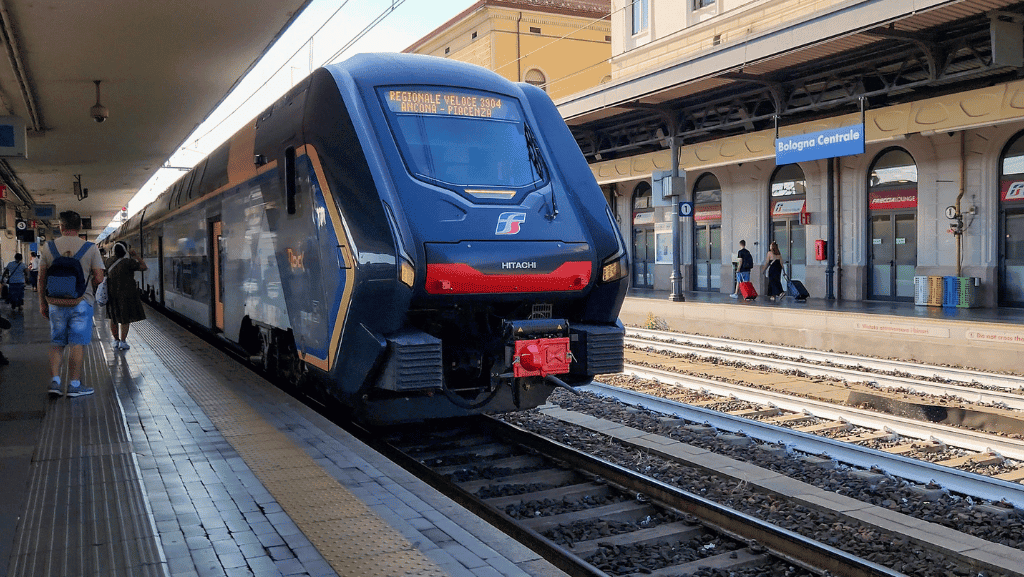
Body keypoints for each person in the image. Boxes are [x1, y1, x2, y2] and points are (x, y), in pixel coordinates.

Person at [38, 211, 105, 398]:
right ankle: (74, 385)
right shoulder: (90, 248)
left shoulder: (48, 247)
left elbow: (41, 279)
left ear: (61, 226)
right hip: (81, 302)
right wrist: (86, 286)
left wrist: (43, 303)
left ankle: (55, 382)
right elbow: (99, 278)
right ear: (80, 227)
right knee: (77, 343)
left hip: (55, 303)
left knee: (57, 342)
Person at [105, 241, 148, 351]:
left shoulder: (108, 261)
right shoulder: (128, 262)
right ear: (125, 251)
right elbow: (144, 267)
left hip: (111, 293)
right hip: (126, 294)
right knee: (125, 318)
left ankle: (116, 340)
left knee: (113, 317)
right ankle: (123, 342)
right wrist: (136, 256)